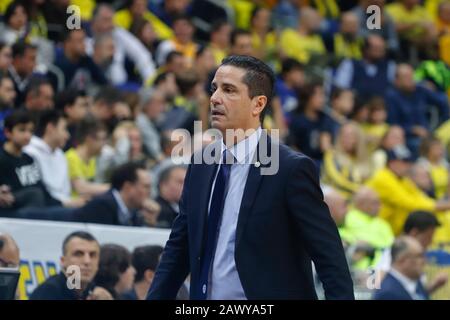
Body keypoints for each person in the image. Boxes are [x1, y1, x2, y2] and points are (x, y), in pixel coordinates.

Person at [147, 55, 354, 300]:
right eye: (214, 89)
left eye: (229, 90)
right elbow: (180, 246)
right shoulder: (201, 163)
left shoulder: (290, 168)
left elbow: (329, 256)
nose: (215, 98)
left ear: (258, 104)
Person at [30, 231, 112, 300]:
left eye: (92, 255)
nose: (87, 261)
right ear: (63, 261)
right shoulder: (48, 291)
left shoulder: (96, 291)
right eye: (78, 254)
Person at [71, 162, 150, 226]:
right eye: (146, 187)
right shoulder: (102, 206)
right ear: (128, 187)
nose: (149, 192)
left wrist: (150, 223)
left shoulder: (134, 211)